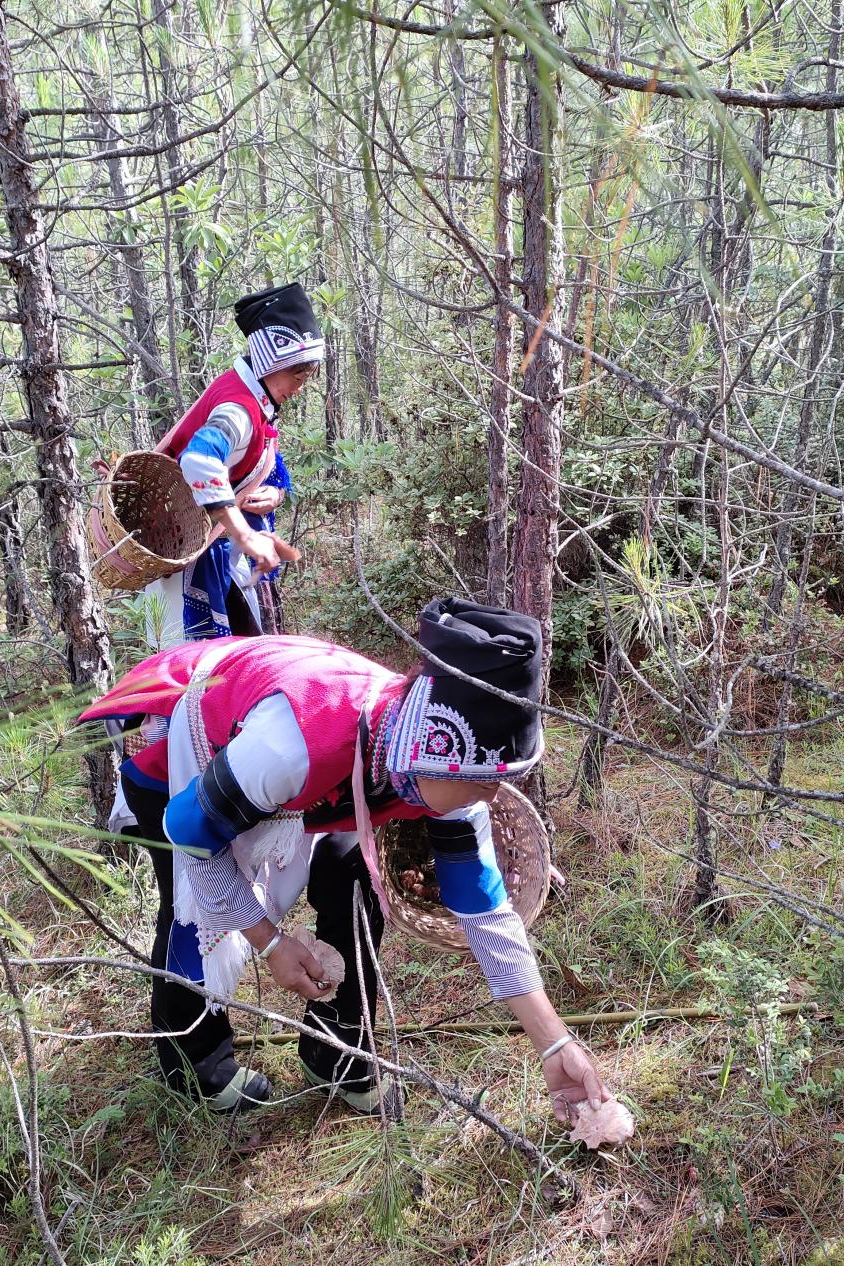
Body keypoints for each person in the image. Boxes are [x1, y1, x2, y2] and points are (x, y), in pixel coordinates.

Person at [79, 597, 615, 1121]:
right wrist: (270, 942)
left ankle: (336, 1050)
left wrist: (554, 1043)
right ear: (434, 757)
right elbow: (191, 837)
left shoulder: (431, 763)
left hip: (308, 779)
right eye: (483, 782)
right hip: (184, 736)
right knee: (190, 910)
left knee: (356, 870)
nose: (493, 798)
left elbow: (485, 912)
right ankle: (196, 1066)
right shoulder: (293, 746)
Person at [146, 282, 322, 646]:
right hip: (190, 561)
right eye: (297, 376)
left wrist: (274, 491)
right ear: (273, 363)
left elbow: (256, 460)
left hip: (207, 556)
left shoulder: (251, 400)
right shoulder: (238, 409)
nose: (299, 388)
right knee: (188, 680)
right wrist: (243, 534)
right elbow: (199, 460)